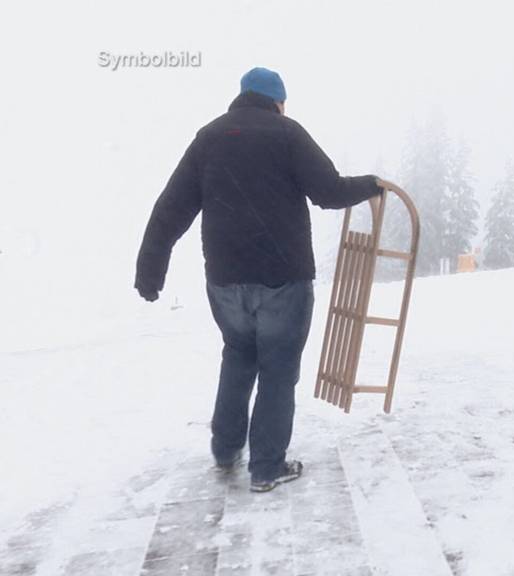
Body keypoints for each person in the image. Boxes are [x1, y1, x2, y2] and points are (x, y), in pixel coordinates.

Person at [135, 67, 387, 492]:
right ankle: (267, 467)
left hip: (225, 280)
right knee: (277, 366)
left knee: (238, 355)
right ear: (277, 101)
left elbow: (170, 208)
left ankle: (226, 449)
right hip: (282, 277)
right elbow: (329, 191)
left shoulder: (209, 138)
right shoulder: (287, 133)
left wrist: (150, 269)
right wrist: (372, 185)